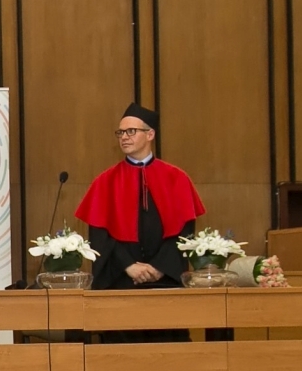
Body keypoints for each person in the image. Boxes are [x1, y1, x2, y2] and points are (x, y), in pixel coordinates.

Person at [74, 102, 205, 291]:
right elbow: (99, 236)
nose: (124, 137)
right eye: (120, 132)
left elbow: (185, 232)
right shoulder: (105, 181)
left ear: (150, 134)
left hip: (166, 278)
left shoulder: (176, 178)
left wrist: (159, 267)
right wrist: (129, 266)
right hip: (119, 279)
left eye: (131, 131)